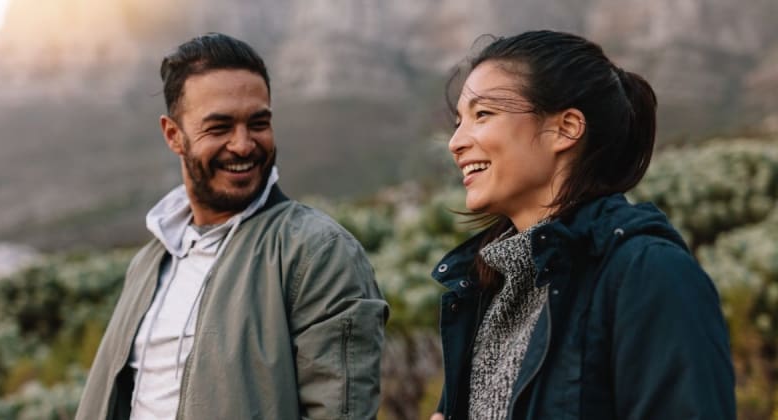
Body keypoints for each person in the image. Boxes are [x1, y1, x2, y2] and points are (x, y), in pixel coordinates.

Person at [76, 33, 388, 420]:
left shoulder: (317, 252)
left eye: (258, 123)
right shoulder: (148, 261)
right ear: (174, 135)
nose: (243, 145)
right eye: (219, 127)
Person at [429, 30, 735, 419]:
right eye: (458, 122)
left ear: (566, 128)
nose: (456, 142)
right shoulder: (486, 291)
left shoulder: (650, 274)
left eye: (482, 114)